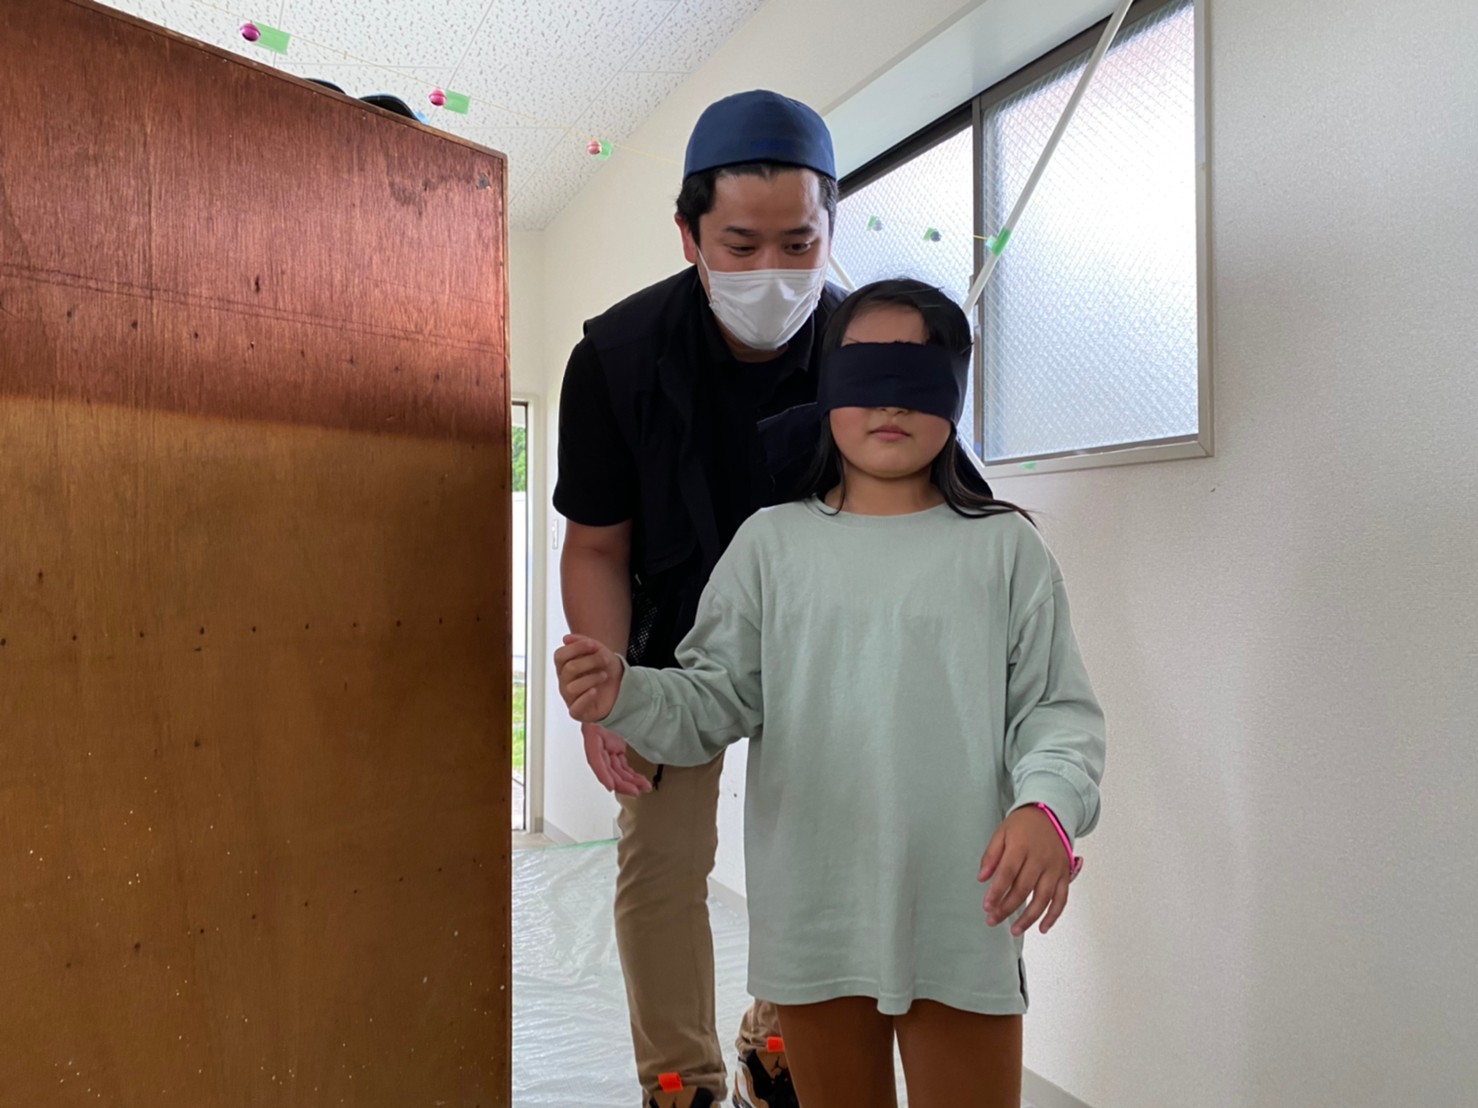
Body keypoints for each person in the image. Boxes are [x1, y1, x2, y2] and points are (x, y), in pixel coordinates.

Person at [555, 279, 1107, 1108]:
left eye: (915, 371)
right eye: (865, 370)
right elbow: (712, 701)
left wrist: (1048, 807)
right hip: (814, 922)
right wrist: (626, 694)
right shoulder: (770, 547)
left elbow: (1055, 711)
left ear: (954, 390)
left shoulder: (1005, 551)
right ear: (827, 388)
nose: (890, 400)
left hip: (964, 914)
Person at [553, 89, 850, 1108]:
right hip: (672, 644)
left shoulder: (865, 351)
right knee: (663, 860)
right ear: (688, 237)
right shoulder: (616, 359)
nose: (773, 271)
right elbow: (596, 544)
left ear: (830, 230)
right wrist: (608, 691)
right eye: (740, 244)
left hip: (821, 640)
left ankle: (780, 1040)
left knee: (824, 847)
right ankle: (679, 1079)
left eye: (798, 243)